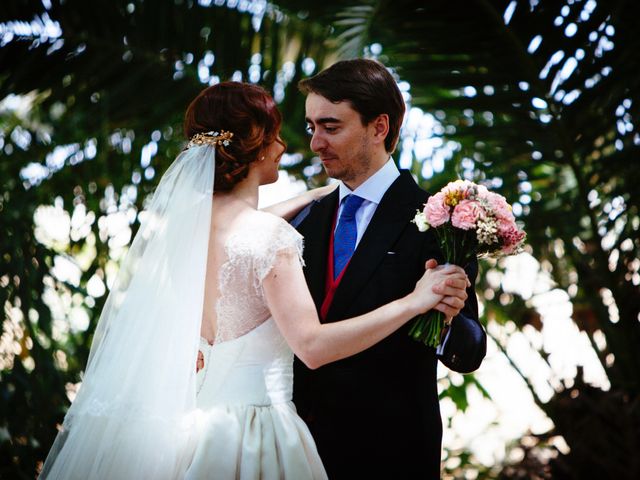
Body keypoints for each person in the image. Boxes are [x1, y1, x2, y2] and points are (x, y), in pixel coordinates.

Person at [40, 81, 471, 479]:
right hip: (261, 432)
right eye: (282, 133)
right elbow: (312, 345)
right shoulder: (272, 234)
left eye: (328, 126)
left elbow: (237, 237)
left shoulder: (186, 234)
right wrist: (415, 302)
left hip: (200, 428)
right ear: (258, 147)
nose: (292, 144)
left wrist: (310, 197)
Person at [291, 59, 487, 479]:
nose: (315, 143)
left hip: (391, 453)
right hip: (297, 449)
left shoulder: (441, 221)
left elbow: (470, 350)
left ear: (379, 127)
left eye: (330, 126)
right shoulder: (302, 219)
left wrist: (448, 319)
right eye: (312, 127)